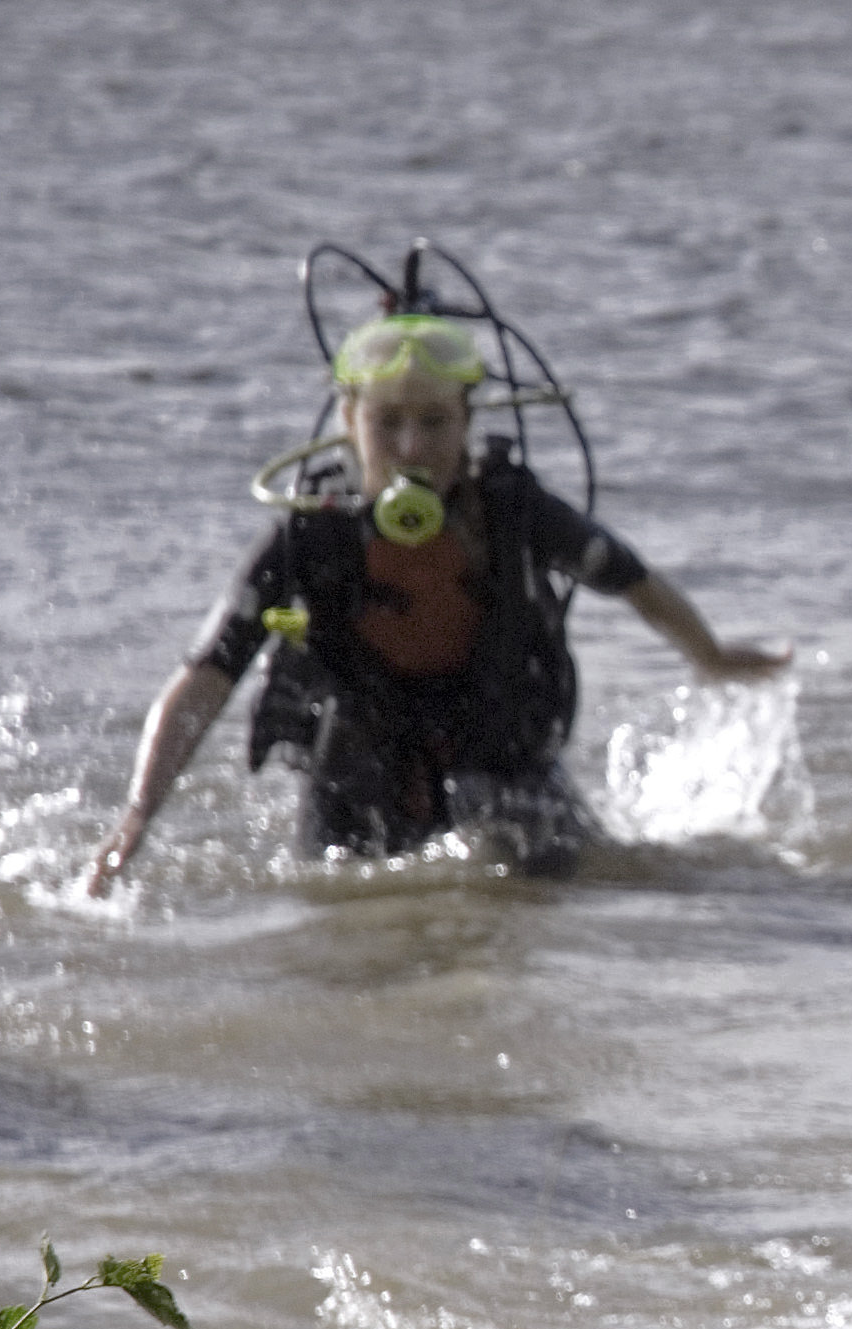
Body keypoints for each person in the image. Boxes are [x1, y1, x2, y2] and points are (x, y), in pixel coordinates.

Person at [86, 309, 782, 895]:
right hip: (359, 763)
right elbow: (207, 674)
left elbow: (634, 581)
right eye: (388, 423)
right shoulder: (312, 530)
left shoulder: (513, 509)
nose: (412, 447)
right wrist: (139, 814)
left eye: (434, 423)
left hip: (501, 750)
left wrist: (711, 655)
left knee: (581, 887)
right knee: (346, 914)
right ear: (350, 420)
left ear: (466, 422)